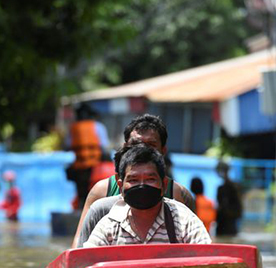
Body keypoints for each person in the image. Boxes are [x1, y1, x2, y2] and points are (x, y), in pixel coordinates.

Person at [71, 114, 196, 248]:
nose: (141, 150)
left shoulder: (178, 195)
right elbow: (79, 244)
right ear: (125, 147)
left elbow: (196, 247)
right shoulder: (101, 192)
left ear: (163, 151)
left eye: (150, 145)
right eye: (136, 144)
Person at [83, 145, 211, 247]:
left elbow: (208, 263)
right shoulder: (109, 227)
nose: (142, 186)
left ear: (164, 185)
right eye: (133, 180)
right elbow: (85, 265)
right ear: (120, 186)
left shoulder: (183, 221)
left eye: (150, 179)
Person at [64, 103, 109, 209]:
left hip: (79, 168)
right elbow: (104, 146)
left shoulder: (73, 128)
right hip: (95, 168)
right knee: (95, 194)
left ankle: (81, 214)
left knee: (81, 195)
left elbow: (67, 146)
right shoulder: (98, 126)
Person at [215, 162, 242, 236]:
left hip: (228, 224)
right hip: (225, 224)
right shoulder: (222, 188)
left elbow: (237, 207)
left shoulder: (230, 187)